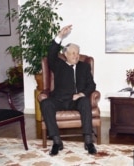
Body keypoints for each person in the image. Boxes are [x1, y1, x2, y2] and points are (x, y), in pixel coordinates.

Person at [40, 25, 97, 155]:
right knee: (45, 103)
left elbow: (91, 85)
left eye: (77, 53)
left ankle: (88, 141)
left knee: (84, 101)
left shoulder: (84, 66)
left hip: (76, 100)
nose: (76, 56)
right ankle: (56, 141)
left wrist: (81, 94)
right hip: (59, 99)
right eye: (72, 53)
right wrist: (60, 36)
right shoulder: (58, 65)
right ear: (65, 54)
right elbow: (51, 54)